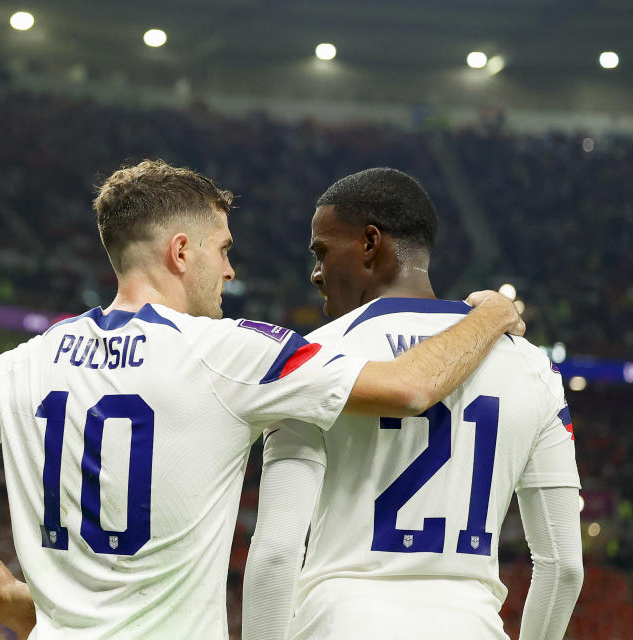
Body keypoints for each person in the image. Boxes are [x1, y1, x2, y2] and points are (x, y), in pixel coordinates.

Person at [0, 160, 524, 640]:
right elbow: (409, 387)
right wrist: (492, 314)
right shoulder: (231, 351)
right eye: (223, 251)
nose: (231, 271)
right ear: (180, 251)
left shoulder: (24, 362)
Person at [242, 168, 583, 640]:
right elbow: (564, 566)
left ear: (369, 243)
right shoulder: (531, 366)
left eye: (322, 252)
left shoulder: (313, 358)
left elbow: (278, 551)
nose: (317, 273)